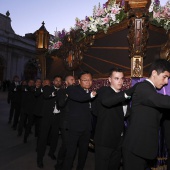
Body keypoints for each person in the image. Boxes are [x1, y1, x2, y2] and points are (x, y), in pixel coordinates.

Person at [123, 59, 170, 170]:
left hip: (142, 149)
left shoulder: (151, 91)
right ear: (154, 73)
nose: (166, 82)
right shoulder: (143, 87)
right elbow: (160, 100)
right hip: (135, 149)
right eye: (164, 77)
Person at [94, 68, 135, 170]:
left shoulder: (122, 96)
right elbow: (107, 101)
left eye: (122, 78)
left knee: (114, 167)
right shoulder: (104, 91)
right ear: (109, 79)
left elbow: (125, 114)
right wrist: (128, 92)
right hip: (105, 140)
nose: (120, 81)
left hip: (118, 140)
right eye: (116, 78)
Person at [62, 71, 97, 170]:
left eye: (90, 80)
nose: (88, 82)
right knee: (70, 153)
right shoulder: (72, 89)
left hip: (86, 129)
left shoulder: (90, 92)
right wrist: (92, 95)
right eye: (85, 80)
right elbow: (80, 98)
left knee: (83, 153)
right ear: (79, 81)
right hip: (74, 128)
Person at [37, 76, 62, 168]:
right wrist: (56, 93)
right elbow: (46, 95)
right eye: (56, 80)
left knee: (55, 136)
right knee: (43, 138)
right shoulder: (48, 88)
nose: (58, 82)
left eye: (60, 81)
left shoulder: (63, 90)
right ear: (53, 82)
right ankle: (39, 159)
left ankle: (51, 153)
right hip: (47, 117)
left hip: (57, 117)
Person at [55, 75, 75, 170]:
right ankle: (59, 164)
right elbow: (61, 104)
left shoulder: (77, 92)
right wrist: (68, 94)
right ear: (66, 83)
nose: (74, 81)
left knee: (72, 145)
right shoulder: (62, 91)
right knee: (66, 144)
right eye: (71, 80)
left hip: (75, 123)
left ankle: (68, 164)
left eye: (74, 79)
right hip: (65, 123)